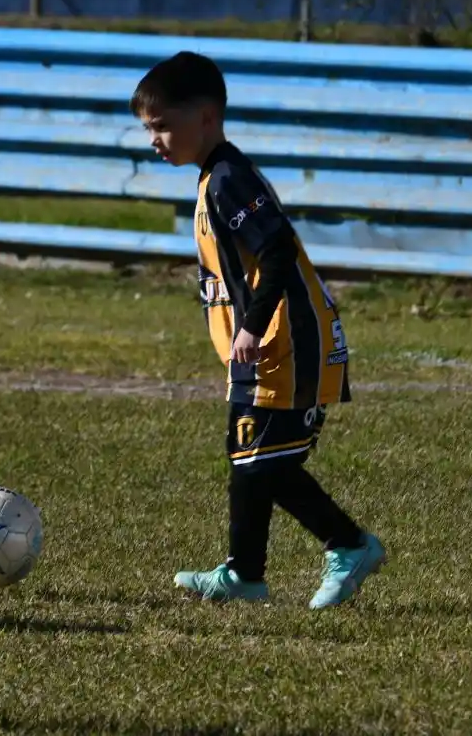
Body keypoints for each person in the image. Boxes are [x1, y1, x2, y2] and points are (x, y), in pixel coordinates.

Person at [129, 51, 386, 609]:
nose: (154, 141)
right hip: (261, 350)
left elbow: (276, 250)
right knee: (250, 458)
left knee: (266, 461)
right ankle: (245, 575)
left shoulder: (229, 178)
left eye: (162, 126)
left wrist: (250, 324)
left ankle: (349, 544)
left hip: (286, 343)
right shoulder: (213, 178)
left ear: (206, 117)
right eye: (148, 129)